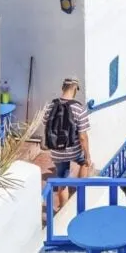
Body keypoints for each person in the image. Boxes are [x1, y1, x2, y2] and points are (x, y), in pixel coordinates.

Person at [42, 78, 92, 210]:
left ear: (63, 88)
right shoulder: (78, 108)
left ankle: (64, 209)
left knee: (62, 179)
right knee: (84, 162)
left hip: (57, 151)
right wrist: (88, 155)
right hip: (74, 149)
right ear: (75, 89)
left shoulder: (50, 106)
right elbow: (82, 136)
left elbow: (45, 124)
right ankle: (80, 192)